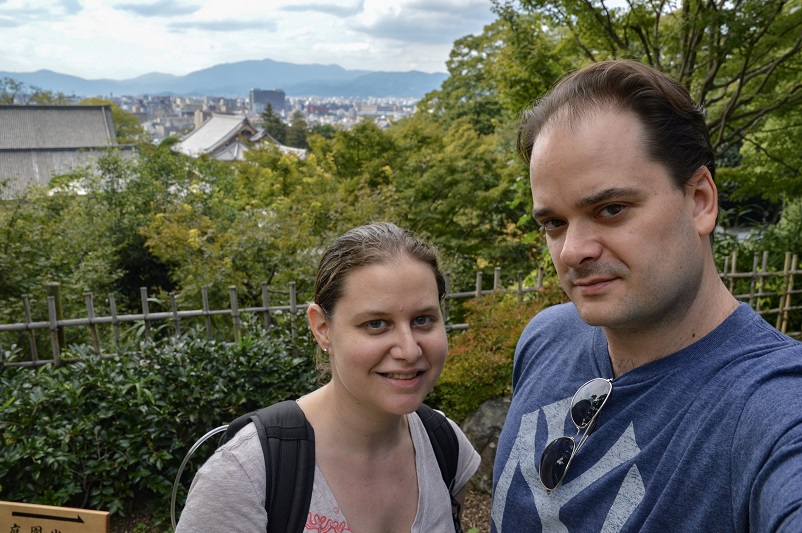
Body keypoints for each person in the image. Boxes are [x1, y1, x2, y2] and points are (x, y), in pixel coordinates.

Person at [491, 59, 802, 532]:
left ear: (700, 200)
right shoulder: (546, 340)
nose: (572, 251)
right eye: (554, 223)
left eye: (611, 209)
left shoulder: (771, 410)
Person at [176, 222, 480, 532]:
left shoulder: (446, 446)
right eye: (376, 324)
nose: (409, 349)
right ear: (322, 328)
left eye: (423, 319)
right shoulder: (245, 476)